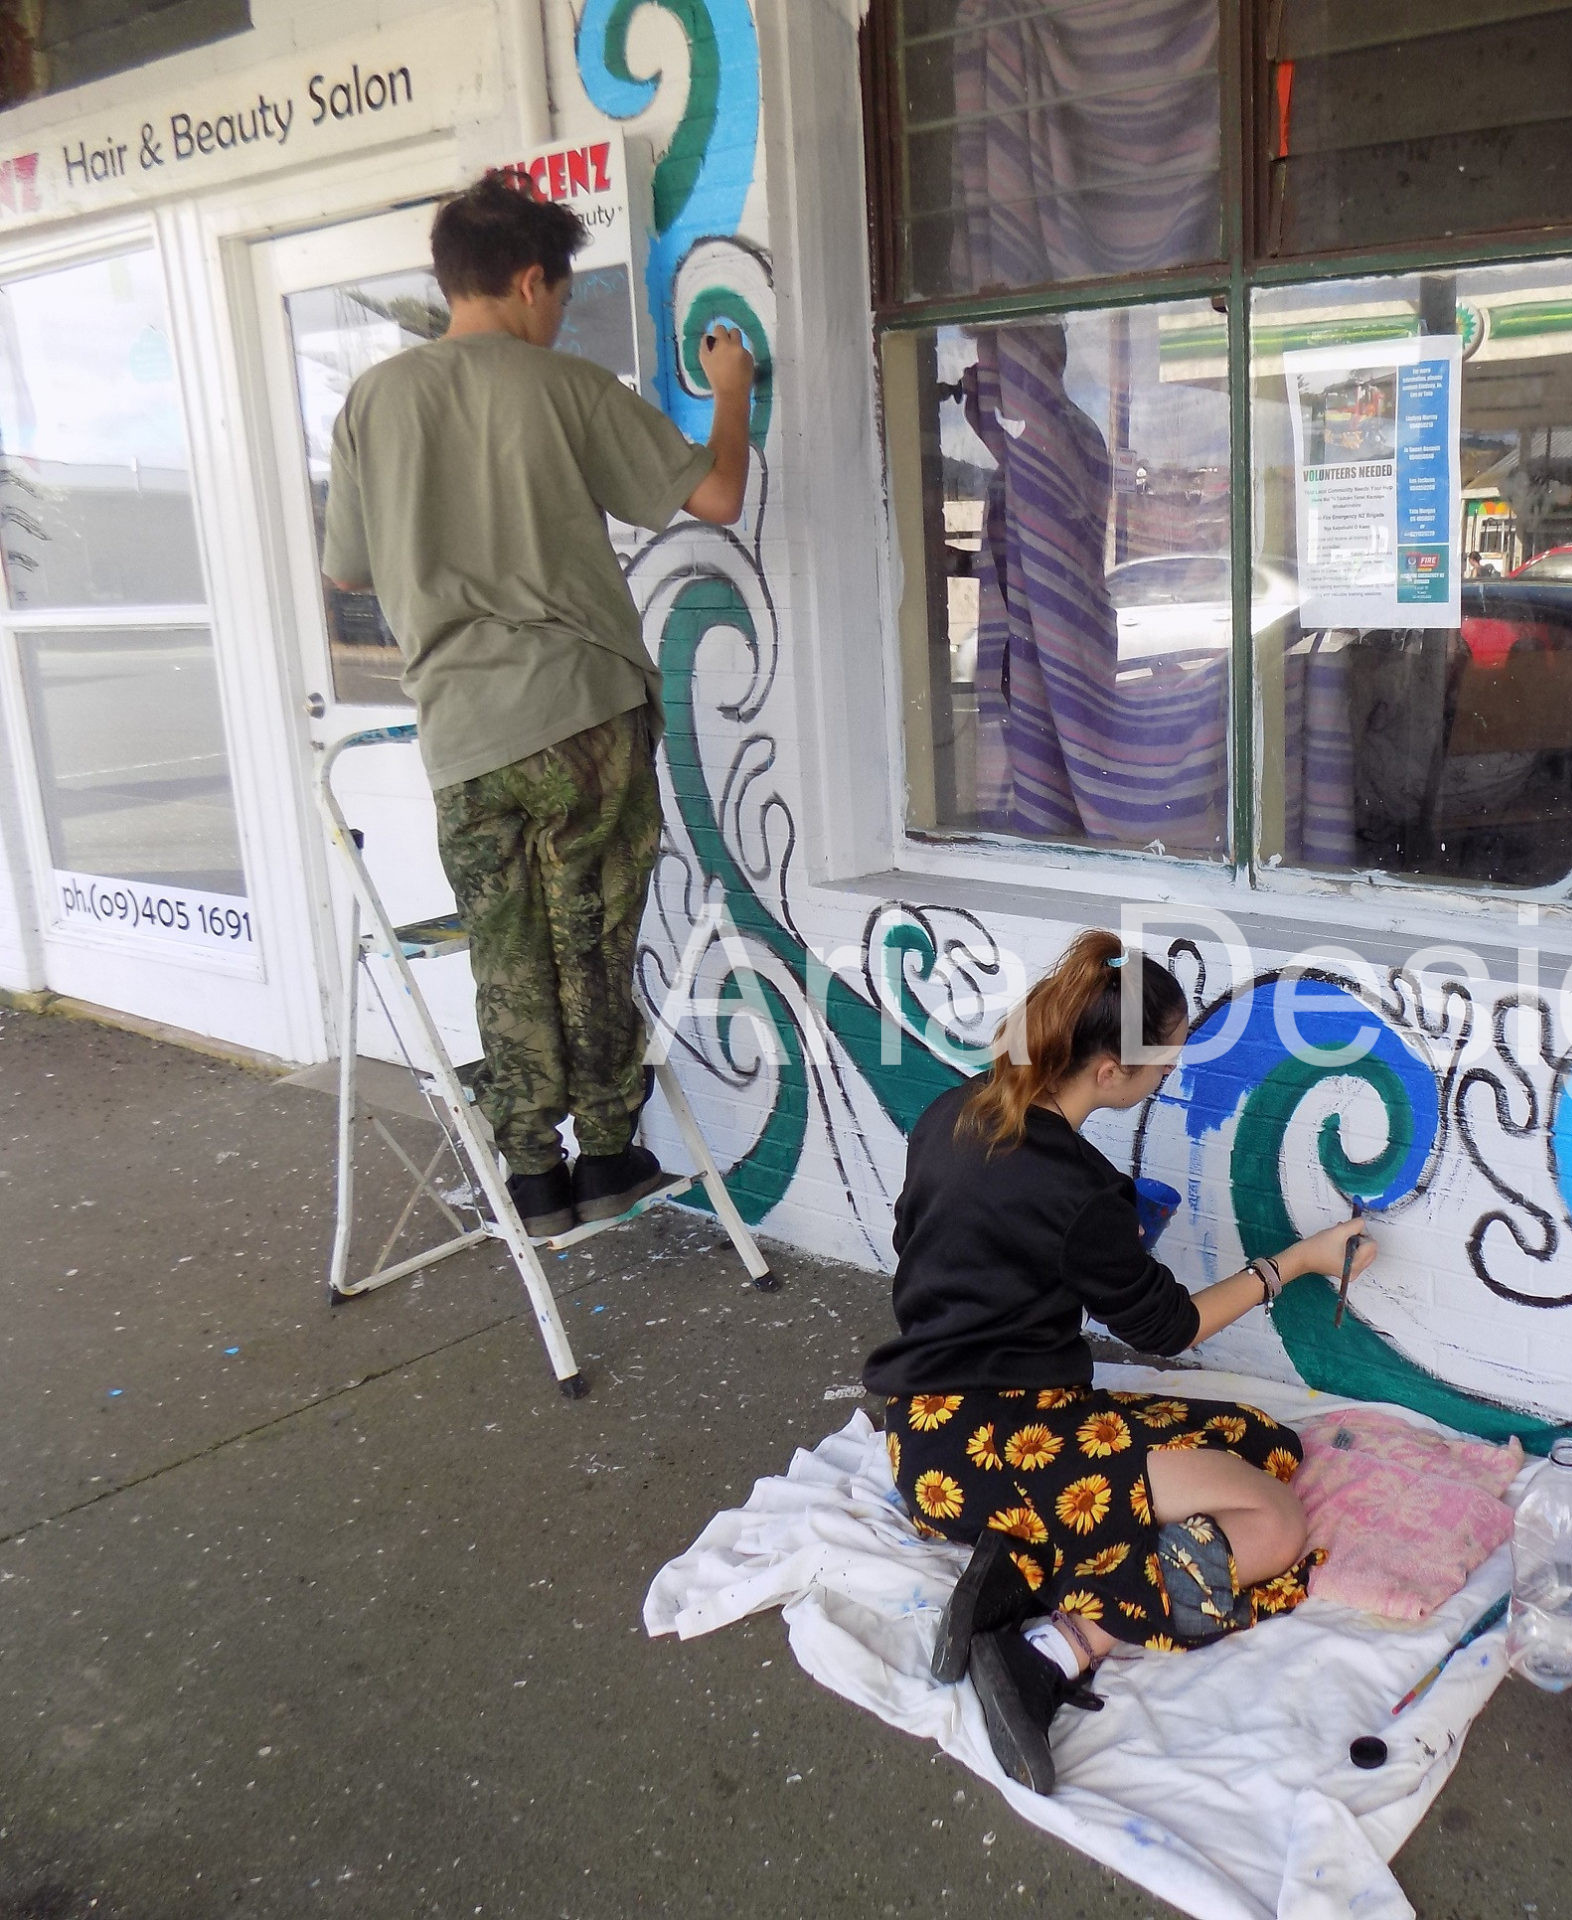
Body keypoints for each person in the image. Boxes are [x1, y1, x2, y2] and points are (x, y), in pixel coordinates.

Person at [321, 172, 757, 1236]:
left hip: (461, 732)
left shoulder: (373, 401)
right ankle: (608, 1156)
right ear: (527, 280)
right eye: (559, 295)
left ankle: (530, 1175)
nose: (560, 315)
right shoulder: (563, 387)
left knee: (505, 950)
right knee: (593, 939)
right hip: (579, 711)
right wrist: (732, 384)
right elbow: (717, 497)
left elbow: (349, 573)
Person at [862, 929, 1376, 1794]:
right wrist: (1299, 1260)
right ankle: (1050, 1651)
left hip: (927, 1431)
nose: (1168, 1077)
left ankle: (1014, 1565)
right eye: (1162, 1064)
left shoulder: (953, 1110)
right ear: (1109, 1071)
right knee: (1276, 1525)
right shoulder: (1080, 1192)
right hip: (995, 1449)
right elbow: (1170, 1328)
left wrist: (1073, 1260)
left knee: (1257, 1439)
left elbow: (927, 1243)